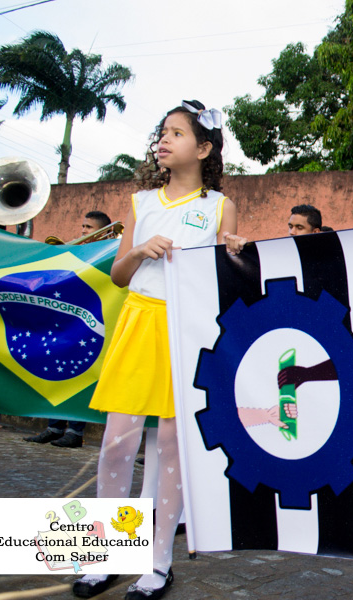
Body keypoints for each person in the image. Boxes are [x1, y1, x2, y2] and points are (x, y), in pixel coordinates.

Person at [71, 100, 243, 600]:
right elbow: (118, 275)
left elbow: (224, 279)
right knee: (117, 443)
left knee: (171, 448)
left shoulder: (219, 206)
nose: (164, 140)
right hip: (139, 324)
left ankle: (158, 563)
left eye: (177, 133)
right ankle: (103, 557)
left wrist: (236, 253)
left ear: (204, 147)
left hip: (186, 331)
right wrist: (140, 251)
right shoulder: (142, 202)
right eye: (162, 133)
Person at [24, 210, 114, 449]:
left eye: (88, 227)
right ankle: (54, 428)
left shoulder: (109, 255)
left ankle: (75, 432)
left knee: (82, 377)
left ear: (103, 231)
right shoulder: (77, 252)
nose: (83, 231)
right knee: (59, 374)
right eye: (82, 226)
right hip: (68, 326)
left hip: (92, 327)